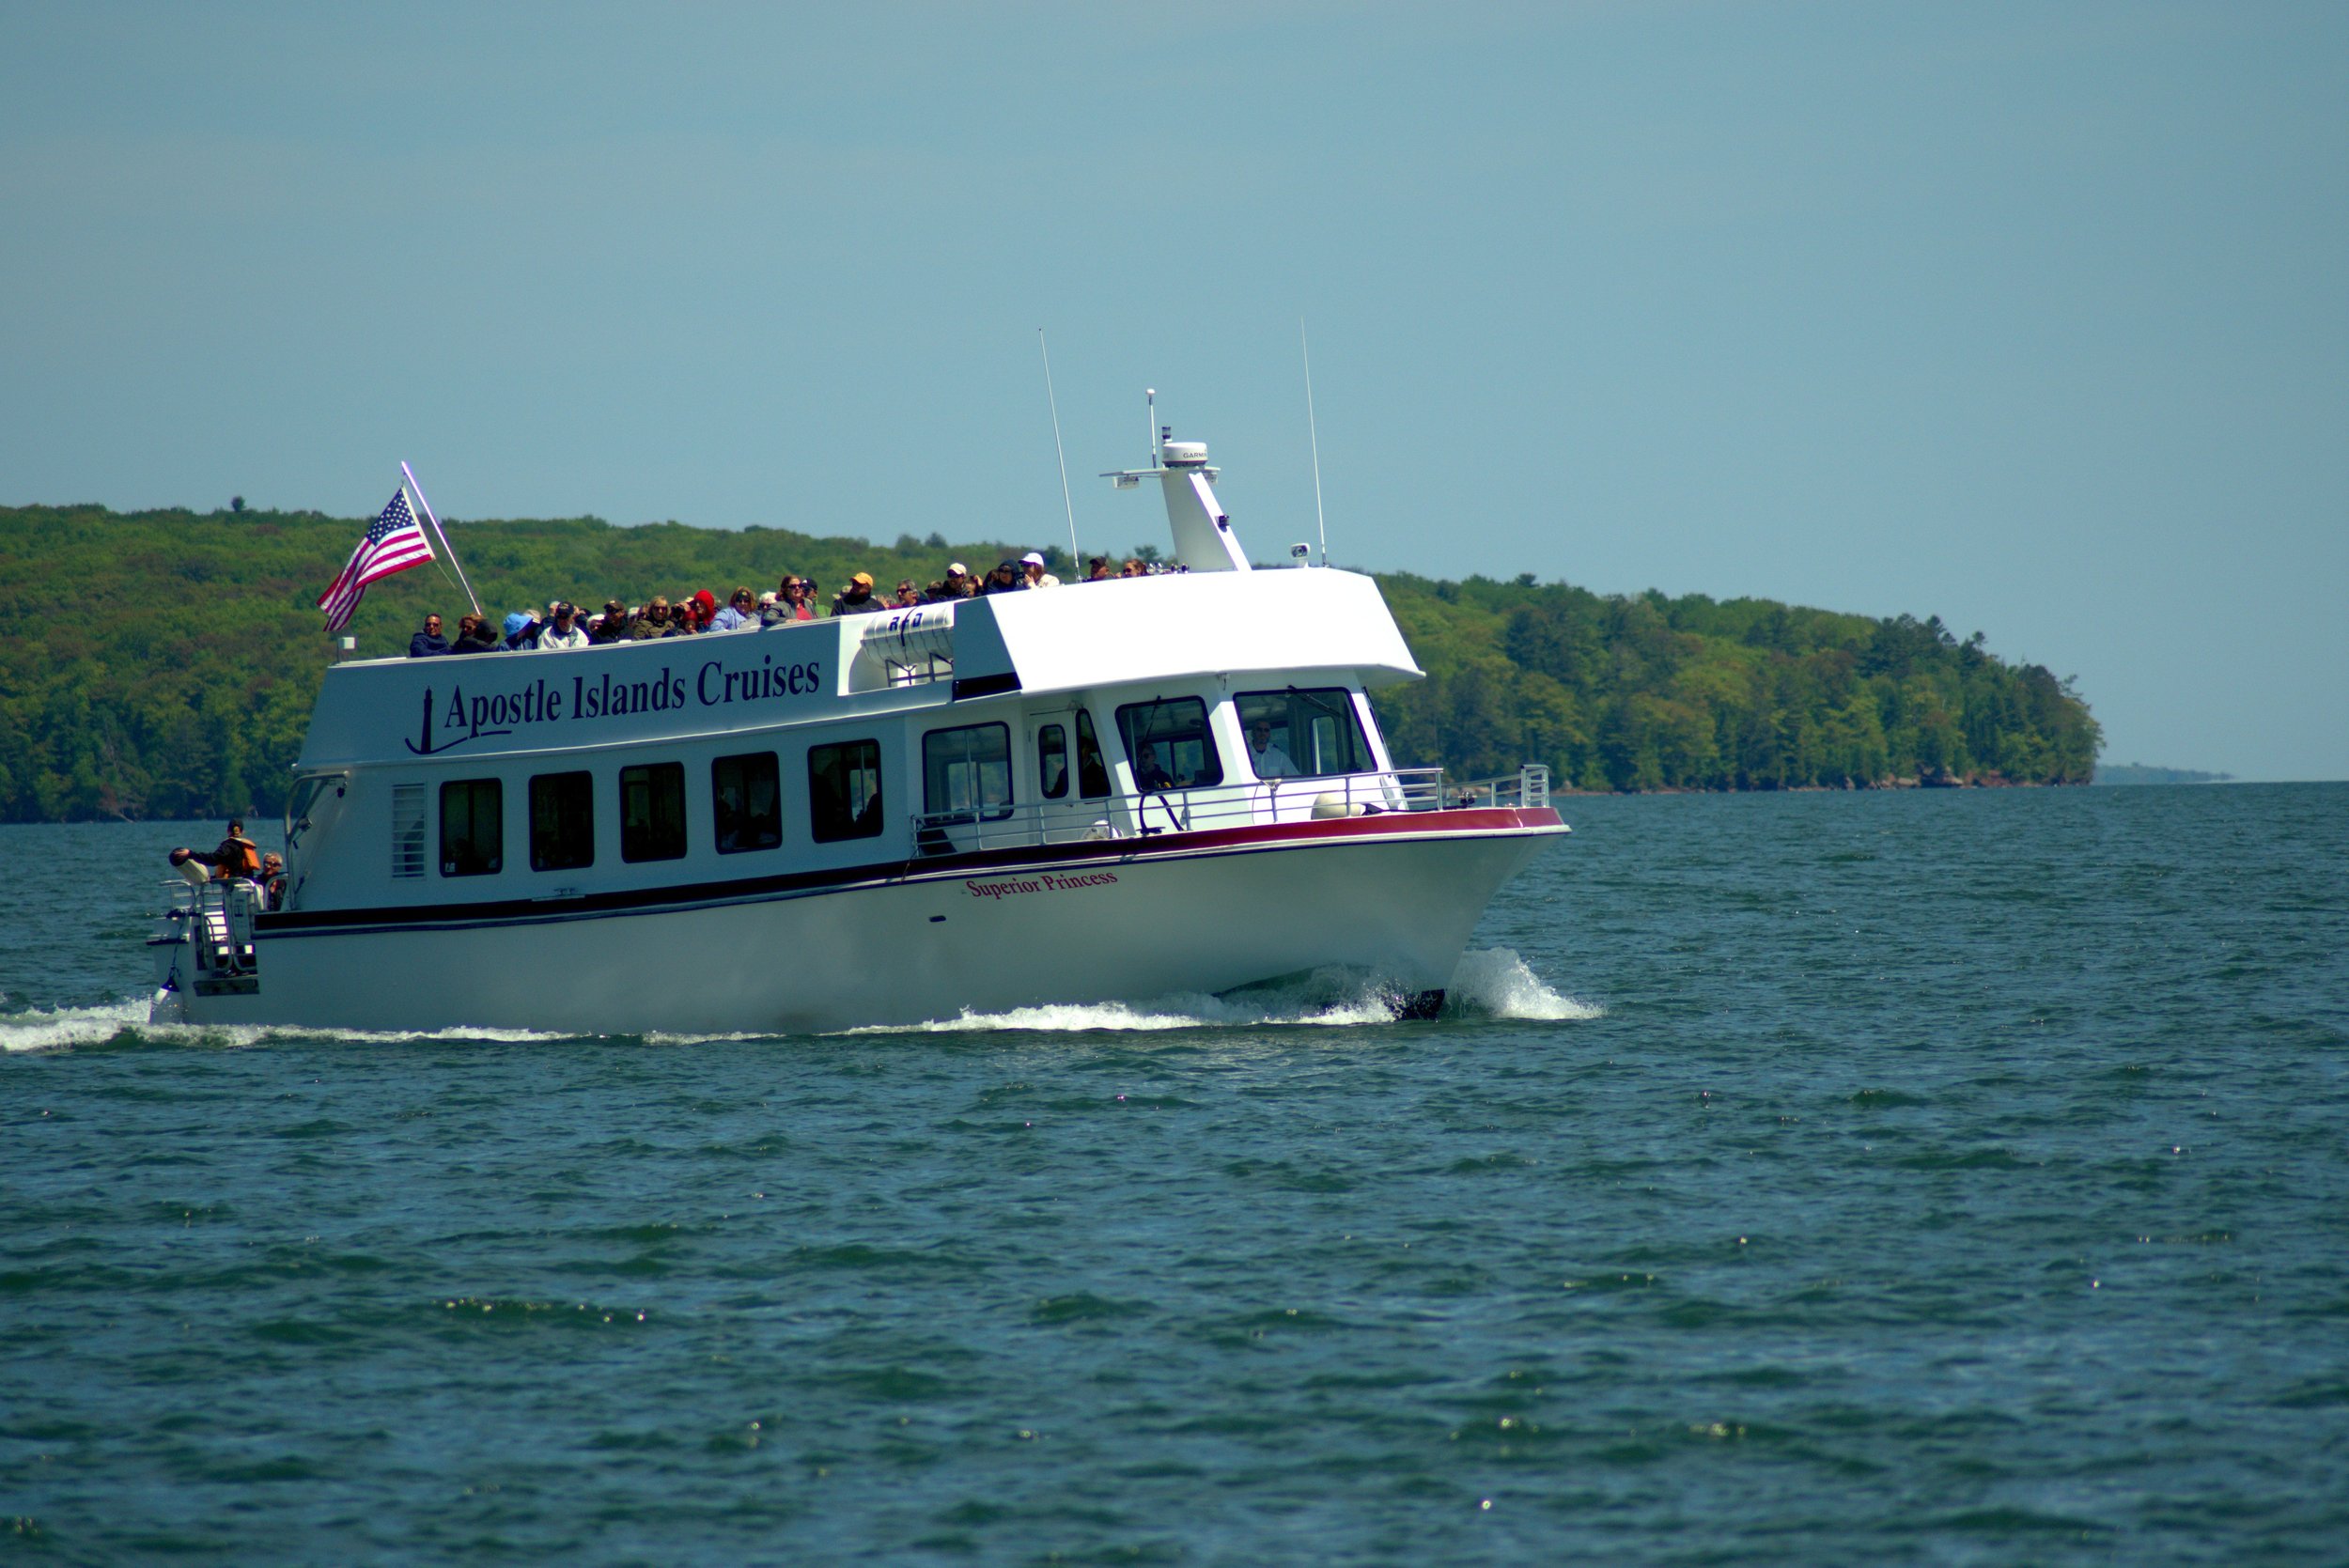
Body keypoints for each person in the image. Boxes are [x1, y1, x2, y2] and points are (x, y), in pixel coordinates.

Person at [170, 818, 261, 881]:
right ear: (242, 832)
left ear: (228, 831)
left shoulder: (228, 847)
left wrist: (191, 854)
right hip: (249, 884)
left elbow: (213, 859)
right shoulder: (246, 846)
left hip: (234, 887)